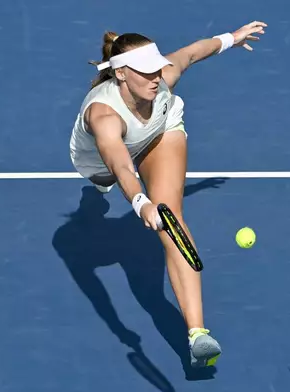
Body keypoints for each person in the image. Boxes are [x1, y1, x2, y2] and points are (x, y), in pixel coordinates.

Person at [68, 20, 267, 368]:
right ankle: (95, 198)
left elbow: (191, 53)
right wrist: (140, 203)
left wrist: (231, 39)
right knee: (105, 182)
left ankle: (197, 334)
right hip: (101, 161)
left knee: (170, 217)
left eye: (156, 68)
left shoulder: (162, 84)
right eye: (145, 72)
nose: (156, 77)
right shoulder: (103, 115)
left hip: (159, 132)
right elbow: (120, 166)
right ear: (121, 75)